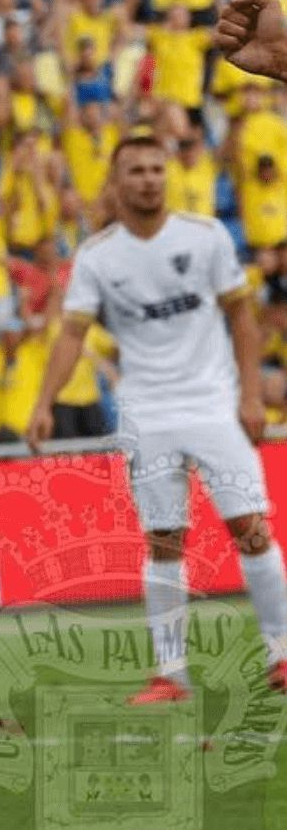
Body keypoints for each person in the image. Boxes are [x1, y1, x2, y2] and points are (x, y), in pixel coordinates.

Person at [29, 134, 287, 701]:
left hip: (213, 405)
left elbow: (243, 316)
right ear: (117, 182)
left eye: (155, 168)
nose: (148, 178)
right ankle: (170, 674)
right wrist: (44, 401)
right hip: (148, 411)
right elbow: (72, 332)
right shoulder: (99, 256)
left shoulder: (206, 236)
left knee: (251, 529)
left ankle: (282, 654)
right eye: (136, 170)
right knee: (164, 540)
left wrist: (250, 395)